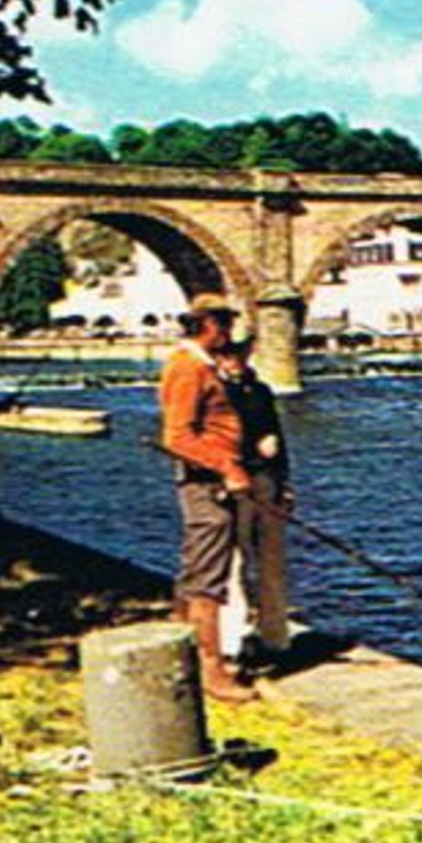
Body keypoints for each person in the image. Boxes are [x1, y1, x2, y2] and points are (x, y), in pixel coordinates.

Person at [158, 292, 257, 703]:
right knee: (208, 580)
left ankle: (185, 659)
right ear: (210, 325)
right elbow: (177, 436)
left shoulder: (201, 366)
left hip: (212, 480)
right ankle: (211, 672)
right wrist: (228, 467)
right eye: (226, 325)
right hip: (207, 485)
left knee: (199, 570)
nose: (230, 334)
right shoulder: (188, 368)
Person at [215, 335, 293, 659]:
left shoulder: (260, 391)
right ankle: (232, 640)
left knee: (271, 559)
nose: (234, 360)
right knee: (235, 560)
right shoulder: (215, 393)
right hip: (235, 481)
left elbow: (277, 436)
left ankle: (275, 635)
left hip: (267, 481)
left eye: (239, 354)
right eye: (227, 355)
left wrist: (286, 483)